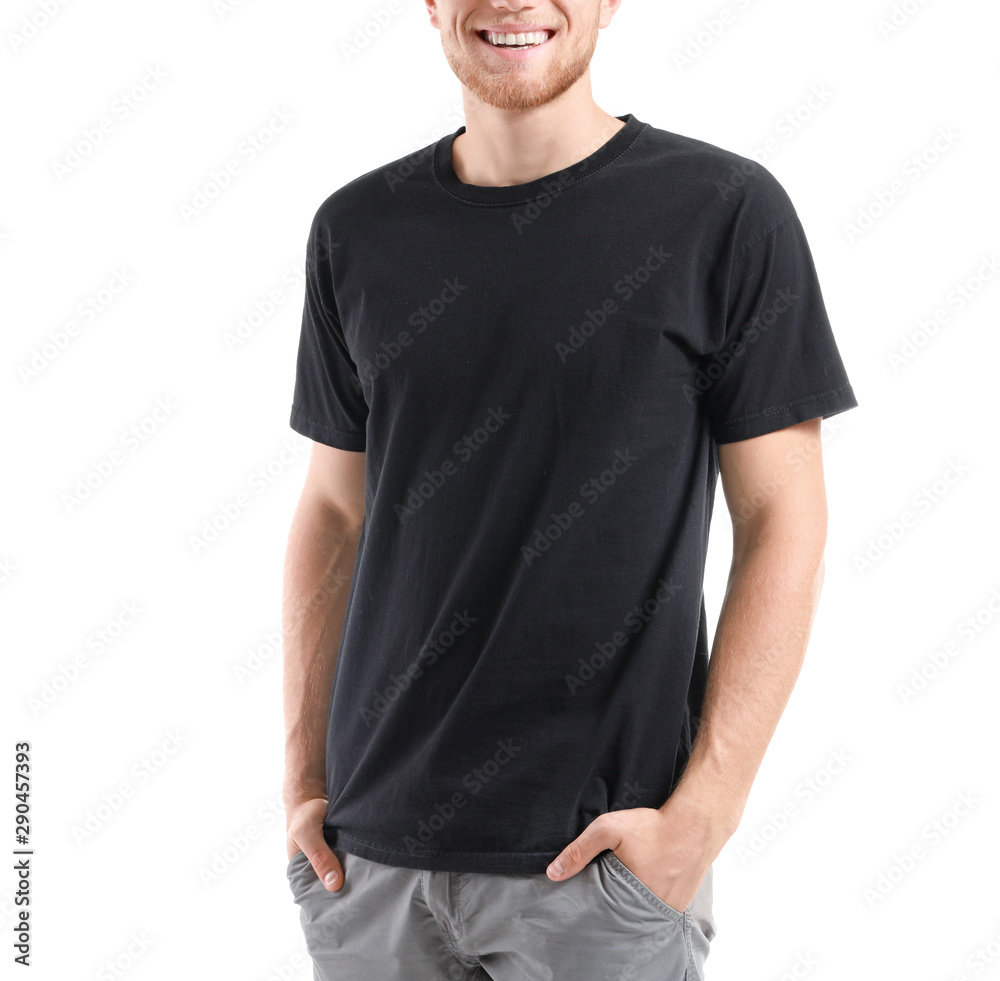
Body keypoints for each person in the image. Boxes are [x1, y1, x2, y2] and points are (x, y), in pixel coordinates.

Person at [281, 1, 859, 978]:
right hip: (367, 863)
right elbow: (335, 513)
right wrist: (304, 780)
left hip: (594, 865)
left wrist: (699, 821)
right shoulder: (358, 229)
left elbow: (782, 520)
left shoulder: (719, 212)